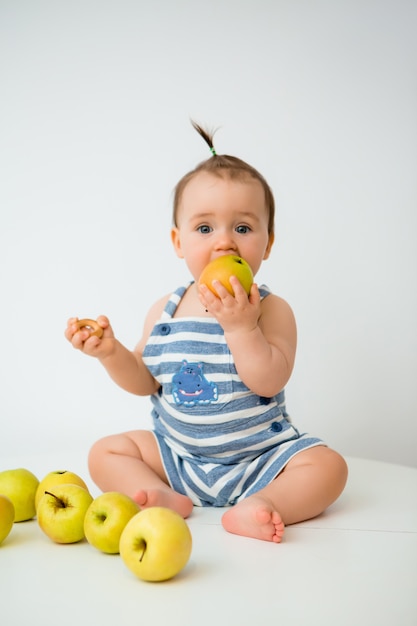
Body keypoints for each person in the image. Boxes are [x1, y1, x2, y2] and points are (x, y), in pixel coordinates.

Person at [65, 122, 348, 543]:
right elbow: (146, 381)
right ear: (178, 242)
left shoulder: (271, 310)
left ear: (267, 244)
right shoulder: (166, 310)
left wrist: (241, 325)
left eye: (243, 228)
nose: (224, 243)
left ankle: (265, 504)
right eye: (204, 228)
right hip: (178, 459)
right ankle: (161, 495)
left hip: (260, 461)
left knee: (329, 467)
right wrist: (111, 353)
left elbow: (269, 380)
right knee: (106, 451)